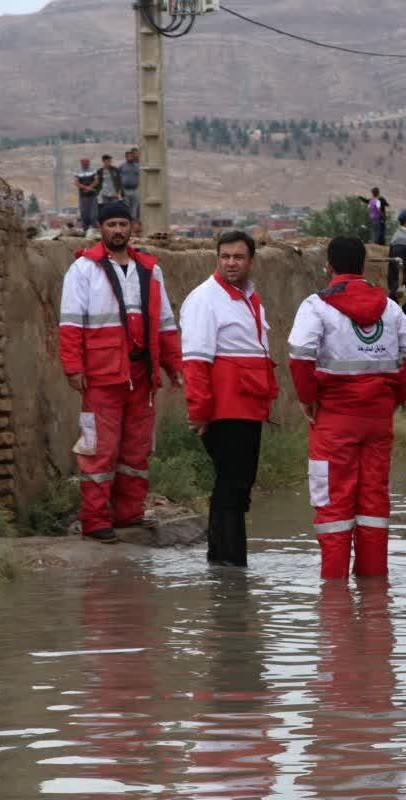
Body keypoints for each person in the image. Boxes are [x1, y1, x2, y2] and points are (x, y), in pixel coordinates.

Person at [288, 237, 406, 579]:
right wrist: (393, 397)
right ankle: (373, 592)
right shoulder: (389, 307)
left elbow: (300, 352)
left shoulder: (317, 305)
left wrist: (308, 398)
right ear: (364, 266)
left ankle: (334, 598)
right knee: (373, 504)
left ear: (329, 267)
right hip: (378, 422)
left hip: (334, 422)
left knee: (333, 504)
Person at [58, 201, 183, 543]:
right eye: (111, 224)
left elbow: (166, 325)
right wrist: (73, 367)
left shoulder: (149, 269)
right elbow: (70, 324)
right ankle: (95, 521)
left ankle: (128, 514)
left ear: (133, 227)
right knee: (99, 448)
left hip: (141, 375)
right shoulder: (83, 270)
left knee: (136, 450)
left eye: (122, 224)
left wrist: (175, 366)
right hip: (102, 375)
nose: (117, 230)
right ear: (101, 228)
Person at [180, 230, 278, 567]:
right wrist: (200, 412)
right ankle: (227, 566)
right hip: (225, 408)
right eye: (225, 256)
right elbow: (195, 362)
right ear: (217, 258)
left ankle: (227, 565)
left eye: (238, 257)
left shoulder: (249, 297)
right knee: (231, 486)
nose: (231, 263)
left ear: (251, 261)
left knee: (239, 486)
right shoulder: (205, 299)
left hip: (248, 406)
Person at [75, 157, 99, 232]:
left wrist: (90, 187)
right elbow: (77, 183)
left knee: (93, 215)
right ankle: (85, 230)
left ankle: (94, 230)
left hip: (92, 196)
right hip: (83, 196)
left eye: (86, 162)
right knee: (84, 215)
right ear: (81, 163)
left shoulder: (93, 170)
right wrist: (85, 187)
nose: (85, 164)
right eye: (83, 162)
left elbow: (96, 180)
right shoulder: (78, 172)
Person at [119, 149, 140, 224]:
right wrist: (120, 190)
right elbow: (118, 178)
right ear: (126, 157)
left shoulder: (138, 166)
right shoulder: (122, 166)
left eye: (131, 156)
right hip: (125, 190)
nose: (130, 158)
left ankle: (134, 223)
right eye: (128, 156)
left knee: (134, 208)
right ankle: (126, 222)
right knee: (126, 207)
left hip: (135, 189)